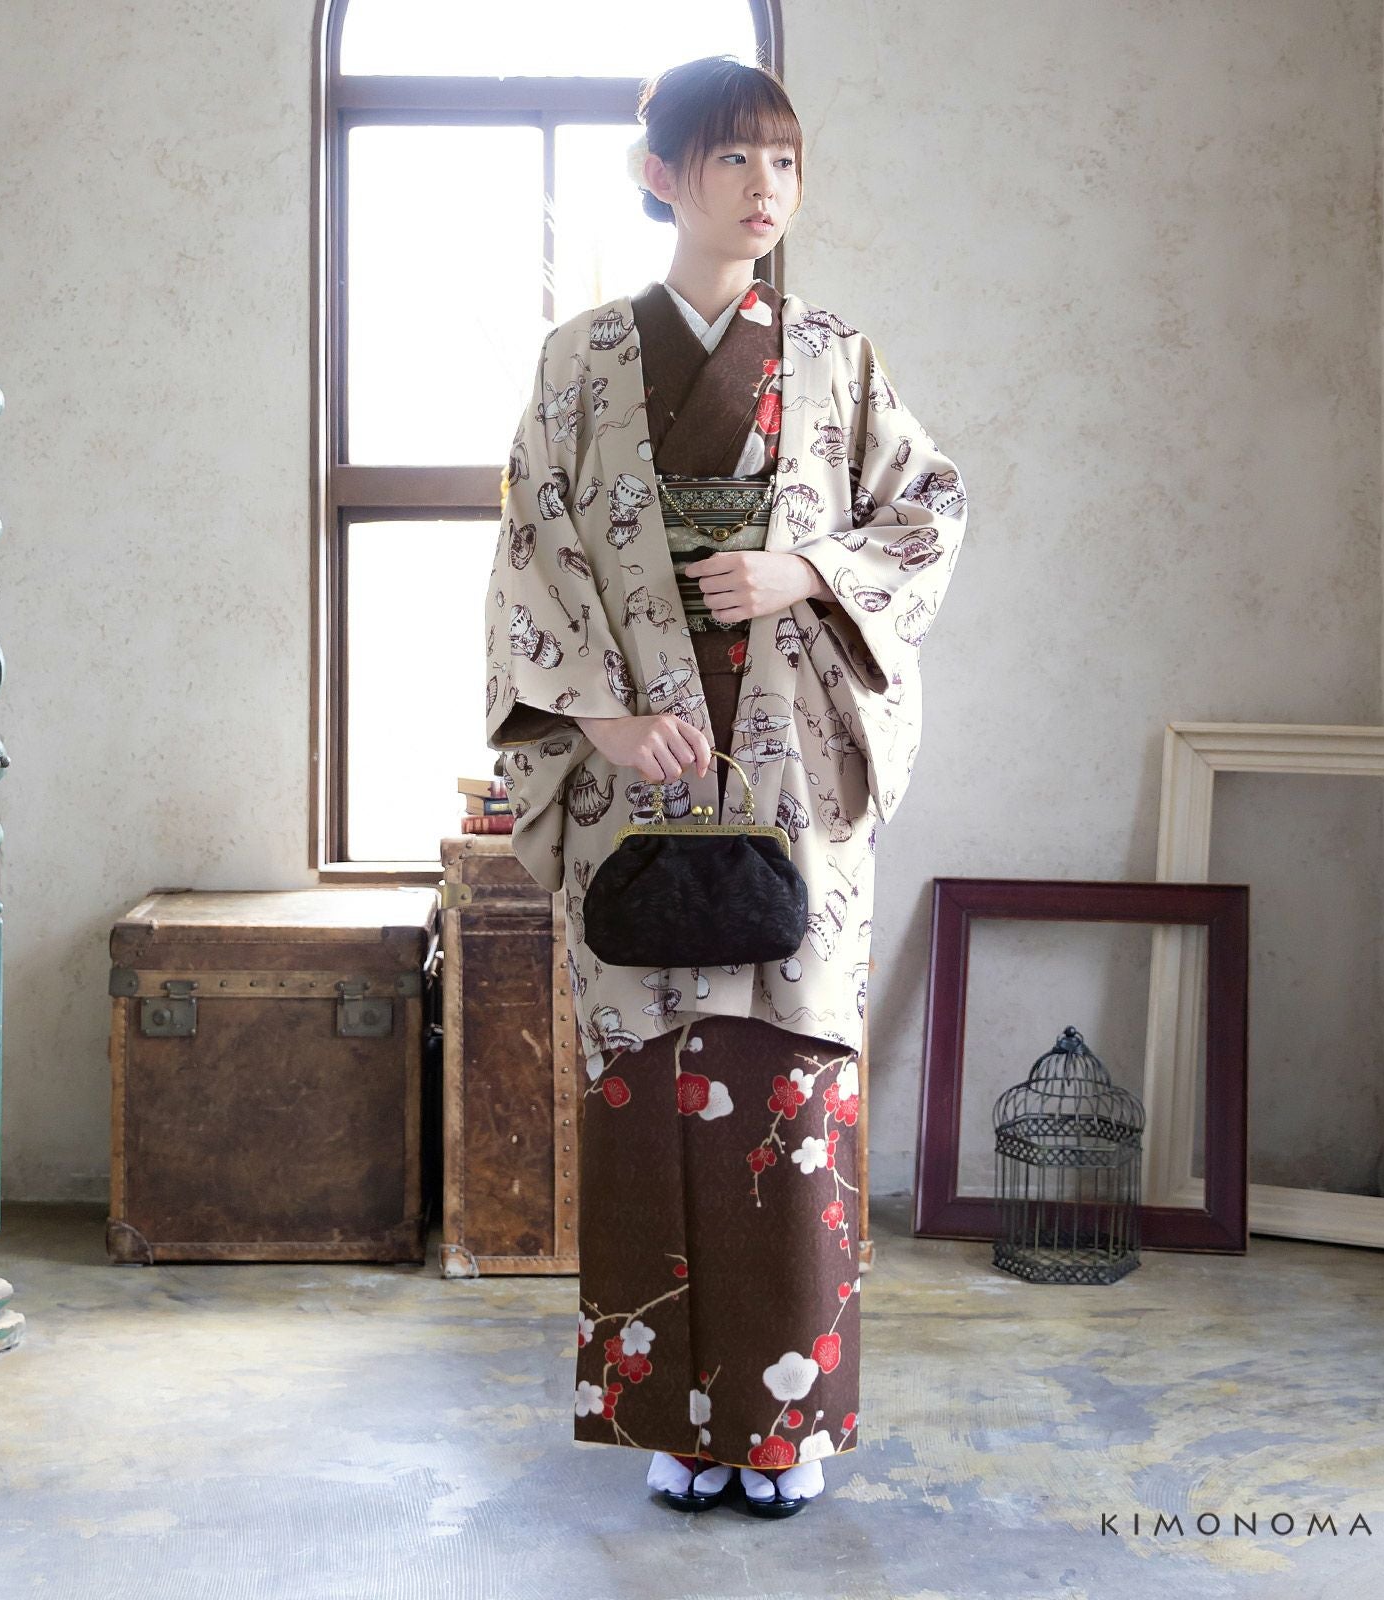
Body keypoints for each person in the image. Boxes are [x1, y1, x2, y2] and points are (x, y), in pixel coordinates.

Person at [483, 55, 968, 1518]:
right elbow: (530, 552)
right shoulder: (580, 360)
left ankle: (786, 1421)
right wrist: (605, 716)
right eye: (735, 159)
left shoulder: (831, 354)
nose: (767, 189)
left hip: (790, 774)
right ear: (663, 177)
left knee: (787, 1080)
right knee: (648, 1086)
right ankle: (674, 1422)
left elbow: (928, 509)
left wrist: (801, 569)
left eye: (786, 162)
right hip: (633, 775)